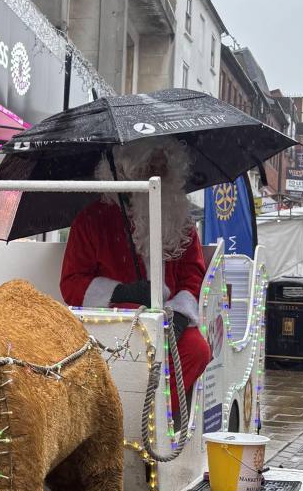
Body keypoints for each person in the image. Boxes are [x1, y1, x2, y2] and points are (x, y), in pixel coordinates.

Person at [60, 139, 211, 409]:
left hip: (168, 321)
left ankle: (154, 419)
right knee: (127, 354)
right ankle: (124, 417)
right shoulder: (91, 220)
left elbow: (194, 274)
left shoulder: (182, 221)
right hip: (112, 327)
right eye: (149, 164)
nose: (158, 170)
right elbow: (72, 282)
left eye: (164, 164)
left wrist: (179, 313)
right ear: (126, 169)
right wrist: (122, 292)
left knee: (197, 350)